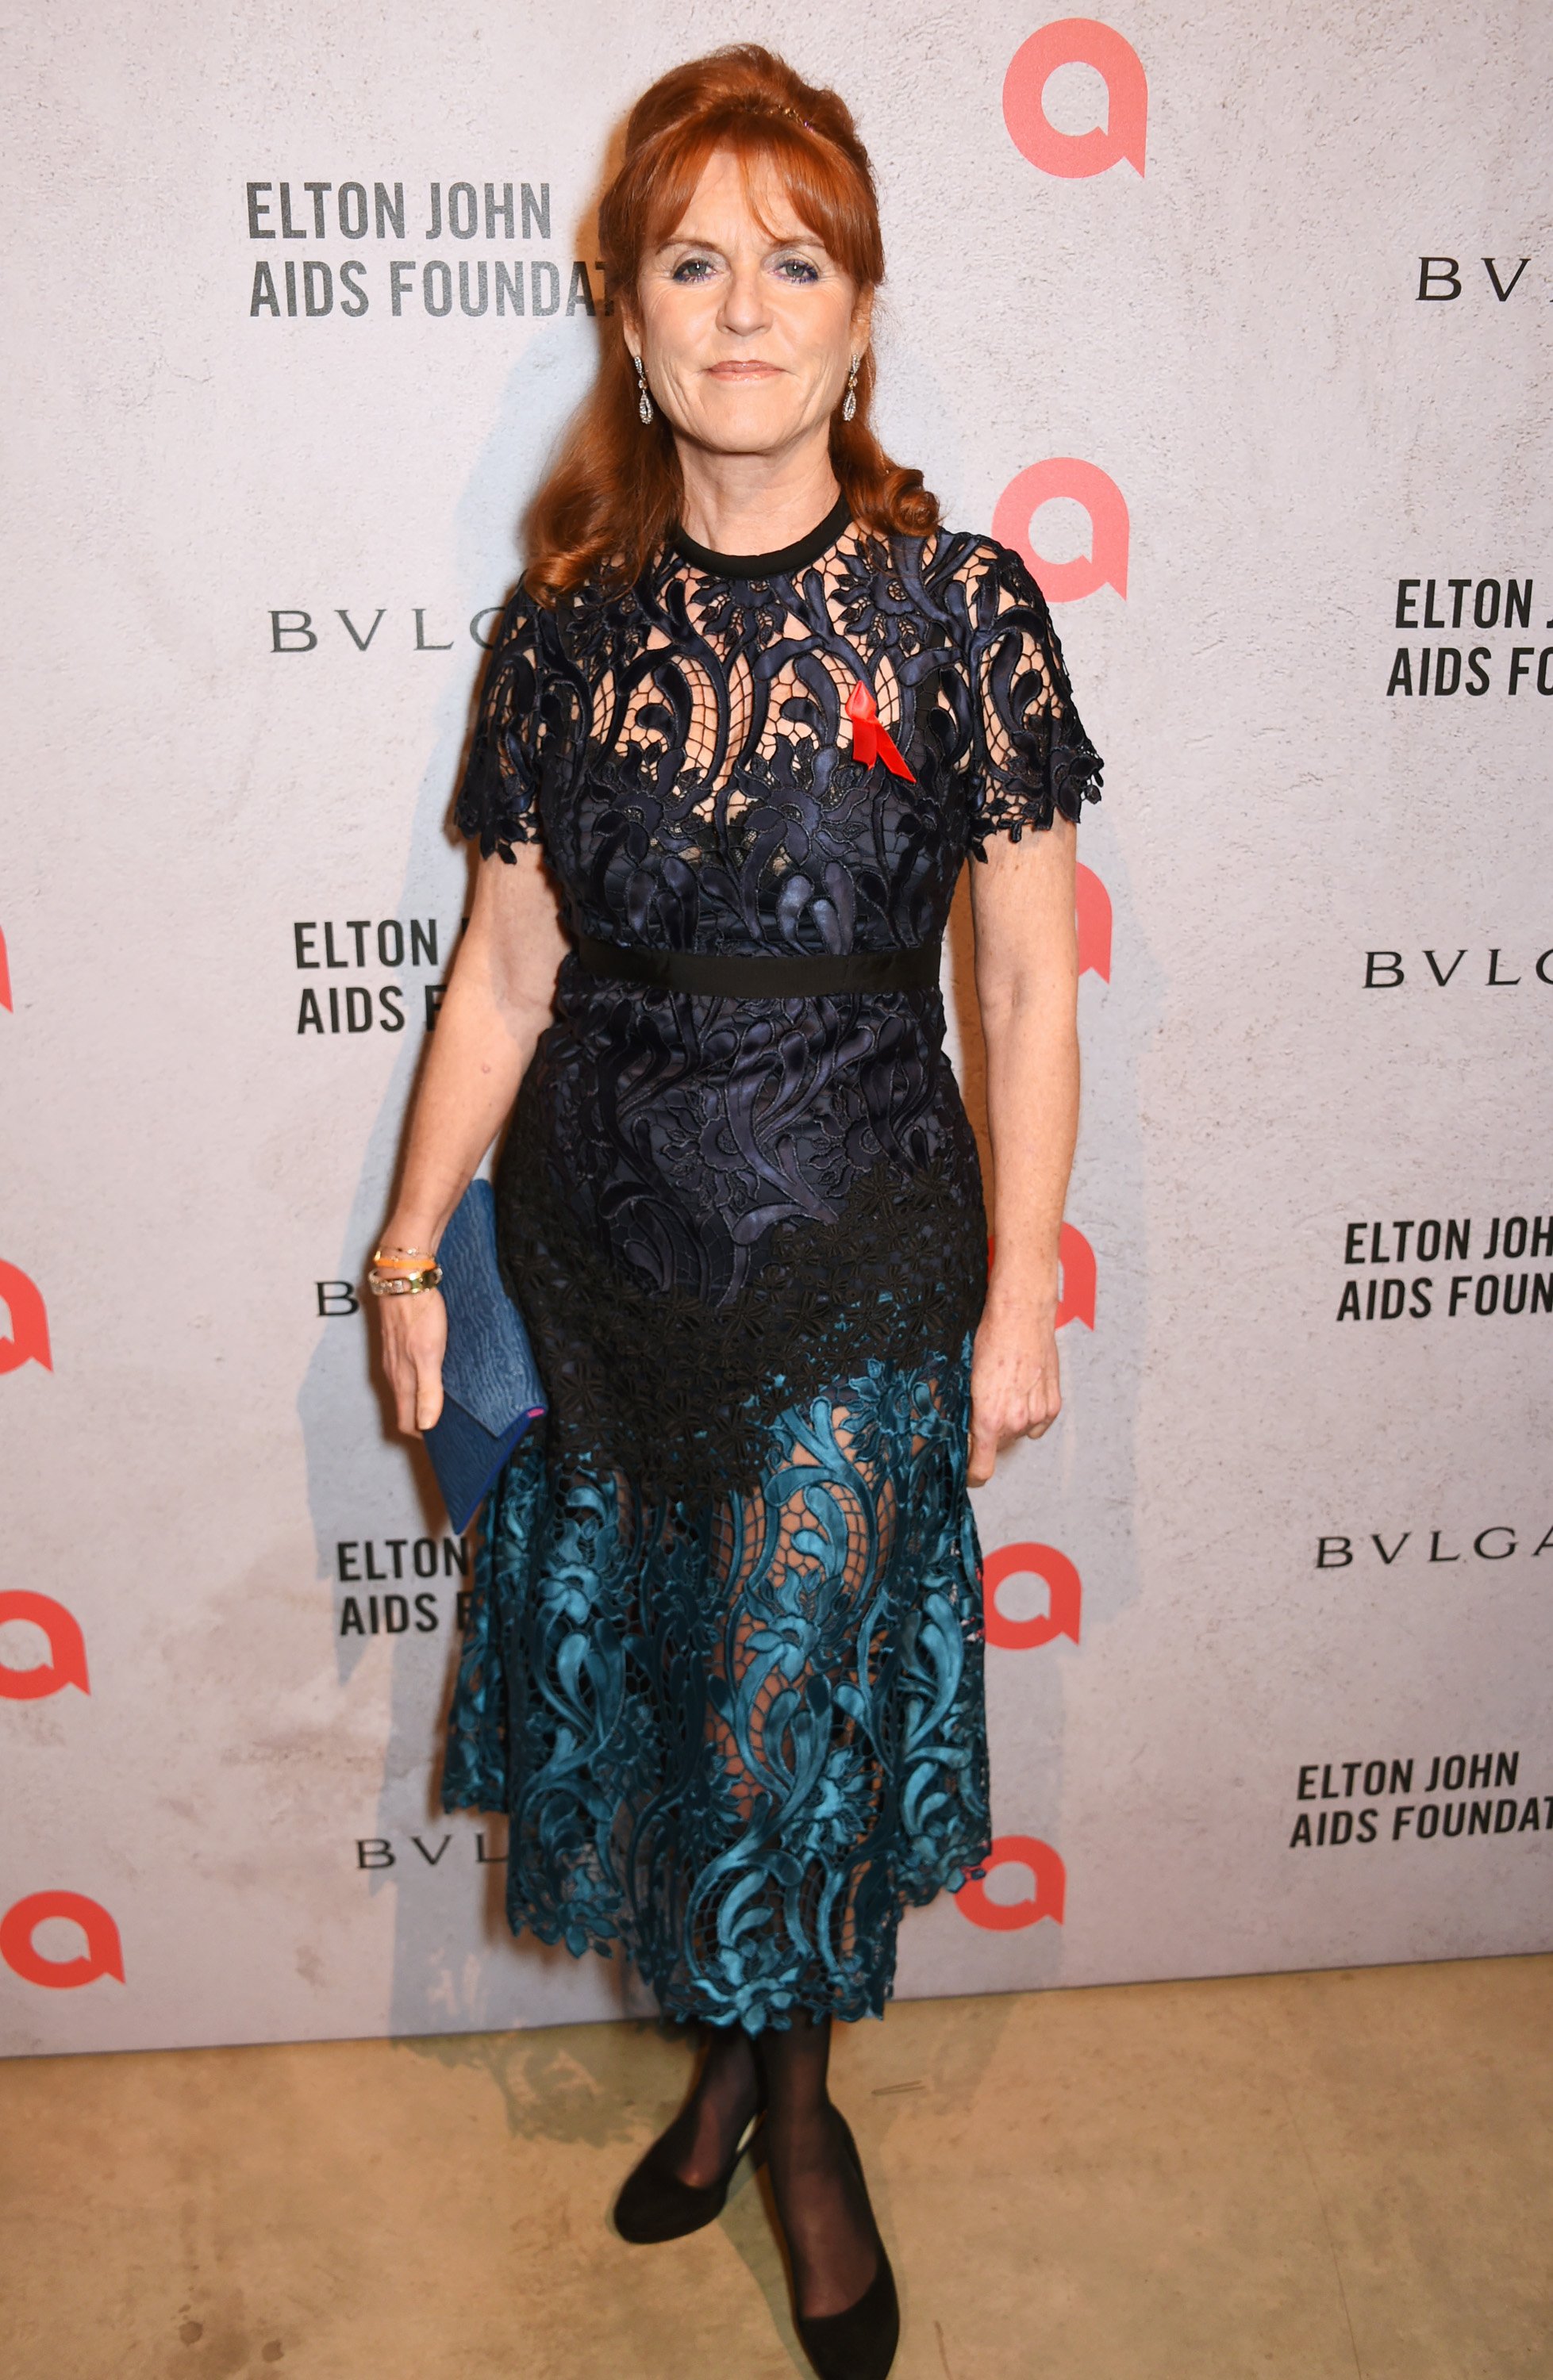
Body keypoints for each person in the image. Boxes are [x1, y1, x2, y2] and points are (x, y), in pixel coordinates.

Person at [370, 44, 1101, 2380]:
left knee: (791, 1732)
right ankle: (716, 2063)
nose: (747, 307)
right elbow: (502, 971)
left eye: (796, 260)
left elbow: (1025, 979)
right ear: (631, 311)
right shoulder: (566, 621)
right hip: (598, 1267)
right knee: (679, 1723)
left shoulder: (958, 609)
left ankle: (796, 2132)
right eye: (697, 260)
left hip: (861, 1260)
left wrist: (1017, 1298)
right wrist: (409, 1257)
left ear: (862, 310)